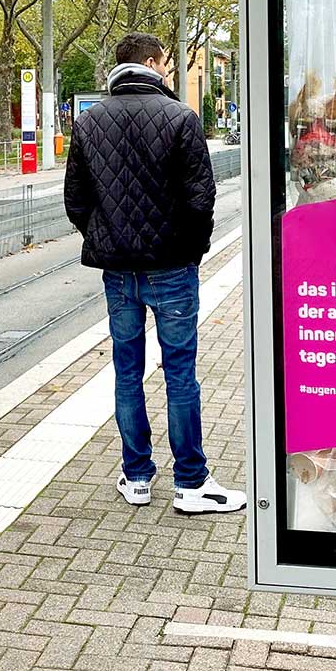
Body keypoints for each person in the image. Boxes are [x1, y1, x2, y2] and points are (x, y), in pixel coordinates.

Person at [63, 32, 240, 515]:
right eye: (164, 62)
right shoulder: (181, 117)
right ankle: (191, 484)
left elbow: (76, 199)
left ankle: (137, 476)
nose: (167, 70)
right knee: (180, 373)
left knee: (127, 373)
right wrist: (192, 250)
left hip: (118, 272)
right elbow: (201, 197)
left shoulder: (89, 121)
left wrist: (105, 237)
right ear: (151, 62)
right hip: (172, 268)